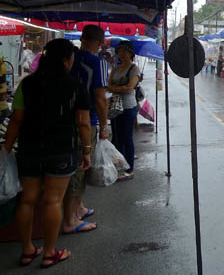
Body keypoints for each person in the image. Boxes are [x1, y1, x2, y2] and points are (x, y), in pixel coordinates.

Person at [4, 39, 91, 268]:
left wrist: (5, 148)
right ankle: (50, 253)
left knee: (27, 201)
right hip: (62, 150)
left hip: (29, 149)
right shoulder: (76, 86)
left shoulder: (27, 84)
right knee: (53, 201)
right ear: (65, 60)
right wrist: (87, 151)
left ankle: (27, 251)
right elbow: (83, 123)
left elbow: (16, 119)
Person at [62, 25, 109, 234]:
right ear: (100, 43)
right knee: (81, 167)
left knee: (76, 165)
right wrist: (104, 124)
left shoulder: (69, 59)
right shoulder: (97, 63)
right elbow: (100, 98)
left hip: (64, 118)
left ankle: (78, 208)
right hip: (86, 120)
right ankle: (70, 220)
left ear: (82, 39)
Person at [108, 41, 140, 180]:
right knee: (116, 137)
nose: (122, 54)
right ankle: (119, 166)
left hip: (128, 107)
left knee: (126, 138)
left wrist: (115, 88)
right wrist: (120, 88)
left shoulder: (134, 69)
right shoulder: (116, 68)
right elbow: (108, 85)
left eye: (125, 51)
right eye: (120, 51)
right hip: (115, 106)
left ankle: (129, 169)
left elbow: (130, 88)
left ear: (131, 53)